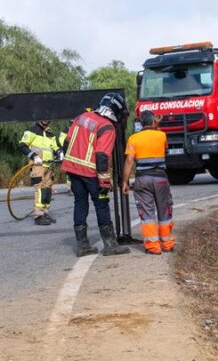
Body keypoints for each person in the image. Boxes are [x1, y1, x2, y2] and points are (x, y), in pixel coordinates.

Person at [61, 92, 130, 257]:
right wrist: (105, 182)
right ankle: (110, 245)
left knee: (80, 203)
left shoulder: (81, 117)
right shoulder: (107, 126)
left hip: (73, 170)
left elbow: (67, 142)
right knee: (101, 205)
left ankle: (83, 246)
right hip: (91, 172)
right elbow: (101, 156)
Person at [121, 110, 174, 255]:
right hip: (161, 179)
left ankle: (153, 247)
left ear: (140, 123)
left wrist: (124, 182)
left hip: (143, 180)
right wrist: (157, 126)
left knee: (147, 213)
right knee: (165, 211)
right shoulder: (162, 135)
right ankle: (167, 244)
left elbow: (129, 161)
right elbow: (165, 149)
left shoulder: (133, 139)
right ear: (153, 121)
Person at [18, 120, 64, 225]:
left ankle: (45, 212)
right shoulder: (31, 131)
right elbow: (22, 146)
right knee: (39, 189)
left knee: (47, 190)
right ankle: (38, 215)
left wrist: (59, 152)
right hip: (37, 166)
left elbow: (55, 147)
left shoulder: (50, 133)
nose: (45, 120)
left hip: (49, 165)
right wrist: (34, 156)